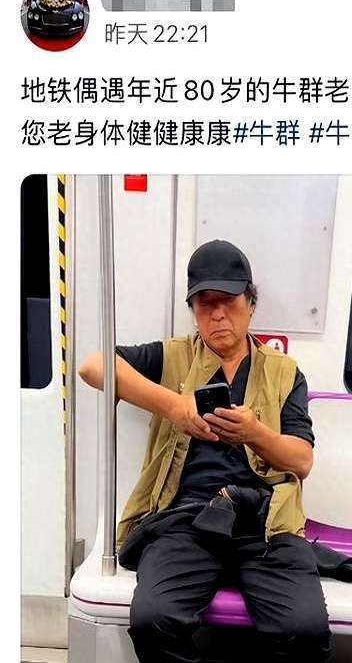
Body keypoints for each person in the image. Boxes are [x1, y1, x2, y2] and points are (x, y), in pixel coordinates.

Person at [79, 239, 331, 663]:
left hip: (264, 525)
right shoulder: (173, 357)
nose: (217, 314)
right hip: (187, 520)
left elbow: (301, 461)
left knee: (303, 631)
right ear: (193, 311)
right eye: (204, 303)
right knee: (153, 619)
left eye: (228, 301)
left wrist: (254, 433)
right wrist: (174, 406)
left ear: (251, 303)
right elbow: (92, 366)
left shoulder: (284, 373)